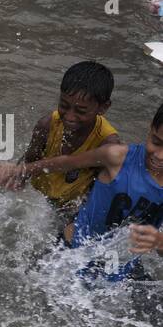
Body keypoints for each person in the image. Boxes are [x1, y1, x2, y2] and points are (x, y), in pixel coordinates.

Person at [0, 103, 163, 281]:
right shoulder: (117, 156)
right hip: (73, 251)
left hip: (122, 264)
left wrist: (159, 242)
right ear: (150, 127)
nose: (159, 155)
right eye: (156, 142)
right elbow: (66, 162)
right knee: (22, 281)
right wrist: (20, 170)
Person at [13, 60, 118, 223]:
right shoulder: (47, 125)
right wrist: (15, 180)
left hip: (70, 209)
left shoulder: (107, 144)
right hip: (36, 199)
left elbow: (102, 190)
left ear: (103, 108)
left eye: (81, 111)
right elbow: (29, 159)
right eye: (63, 105)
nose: (69, 117)